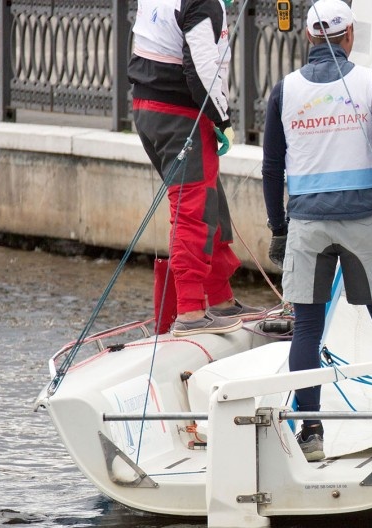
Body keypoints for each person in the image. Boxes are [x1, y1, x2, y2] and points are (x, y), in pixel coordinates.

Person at [261, 0, 372, 461]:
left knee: (307, 330)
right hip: (363, 222)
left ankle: (310, 433)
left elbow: (272, 168)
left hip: (308, 224)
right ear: (349, 36)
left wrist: (278, 228)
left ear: (309, 37)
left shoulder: (284, 90)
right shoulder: (371, 83)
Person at [129, 0, 263, 337]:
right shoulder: (203, 3)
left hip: (148, 109)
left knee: (209, 203)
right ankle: (190, 312)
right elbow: (202, 67)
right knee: (194, 211)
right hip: (180, 115)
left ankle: (219, 300)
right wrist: (223, 119)